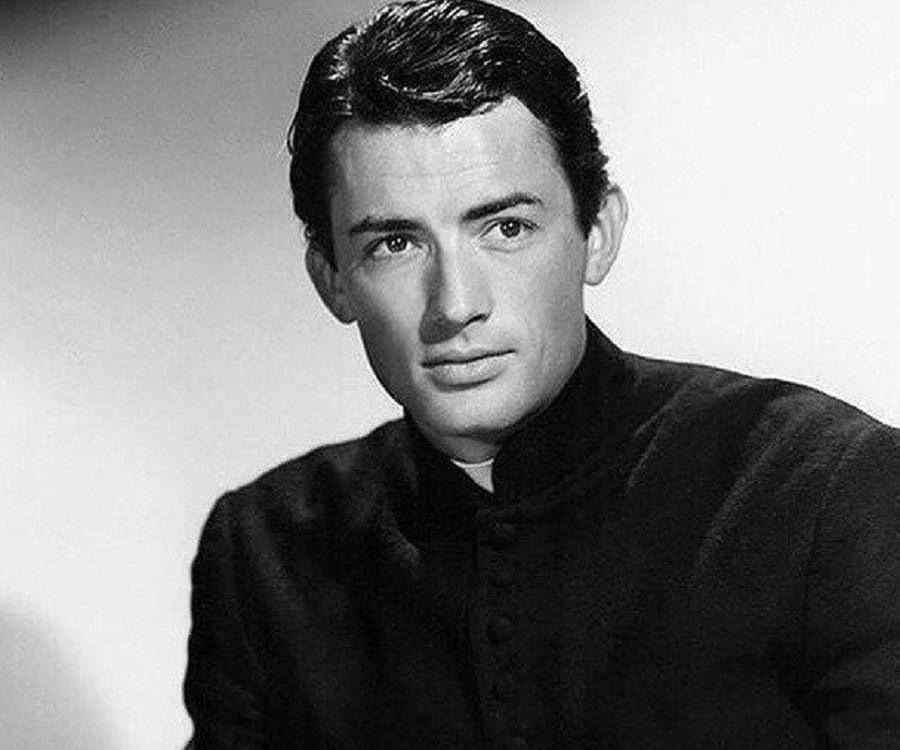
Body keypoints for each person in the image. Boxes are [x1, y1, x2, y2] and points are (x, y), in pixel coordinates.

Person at [183, 1, 900, 746]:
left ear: (598, 233)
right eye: (395, 244)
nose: (455, 305)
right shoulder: (264, 554)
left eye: (506, 228)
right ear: (332, 279)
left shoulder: (828, 492)